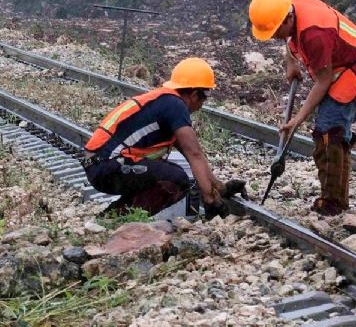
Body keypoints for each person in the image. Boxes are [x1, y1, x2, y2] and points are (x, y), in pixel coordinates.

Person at [248, 0, 356, 215]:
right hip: (340, 62)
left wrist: (297, 119)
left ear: (288, 19)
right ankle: (338, 198)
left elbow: (323, 80)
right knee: (332, 131)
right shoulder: (290, 4)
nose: (275, 37)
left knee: (328, 131)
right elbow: (289, 37)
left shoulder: (314, 33)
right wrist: (291, 62)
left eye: (276, 32)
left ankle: (333, 203)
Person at [83, 57, 245, 218]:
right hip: (105, 167)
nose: (203, 104)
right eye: (205, 97)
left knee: (174, 173)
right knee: (175, 180)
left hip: (103, 166)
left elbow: (194, 155)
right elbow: (194, 154)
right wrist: (210, 200)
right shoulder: (175, 106)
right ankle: (114, 219)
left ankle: (112, 216)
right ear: (195, 94)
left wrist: (219, 188)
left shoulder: (167, 103)